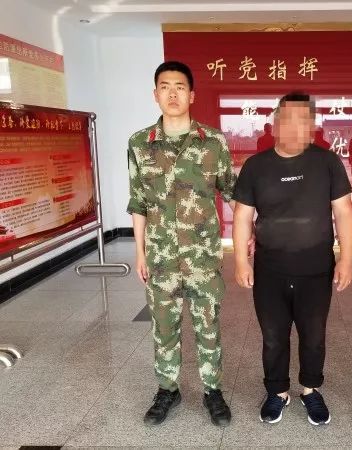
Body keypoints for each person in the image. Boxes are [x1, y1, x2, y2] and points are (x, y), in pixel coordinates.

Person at [232, 92, 352, 426]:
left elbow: (343, 213)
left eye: (303, 120)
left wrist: (346, 259)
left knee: (313, 335)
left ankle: (310, 390)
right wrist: (241, 260)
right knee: (273, 336)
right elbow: (242, 216)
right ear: (275, 123)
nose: (295, 127)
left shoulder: (327, 163)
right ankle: (278, 392)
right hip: (270, 269)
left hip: (316, 269)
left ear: (312, 126)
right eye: (287, 119)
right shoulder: (256, 166)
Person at [127, 61, 235, 427]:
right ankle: (167, 390)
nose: (172, 94)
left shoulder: (213, 142)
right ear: (155, 94)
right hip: (160, 257)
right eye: (165, 87)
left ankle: (213, 391)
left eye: (179, 87)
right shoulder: (140, 143)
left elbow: (233, 193)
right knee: (163, 327)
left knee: (208, 326)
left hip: (203, 257)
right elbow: (138, 202)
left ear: (192, 95)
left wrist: (251, 236)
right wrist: (140, 252)